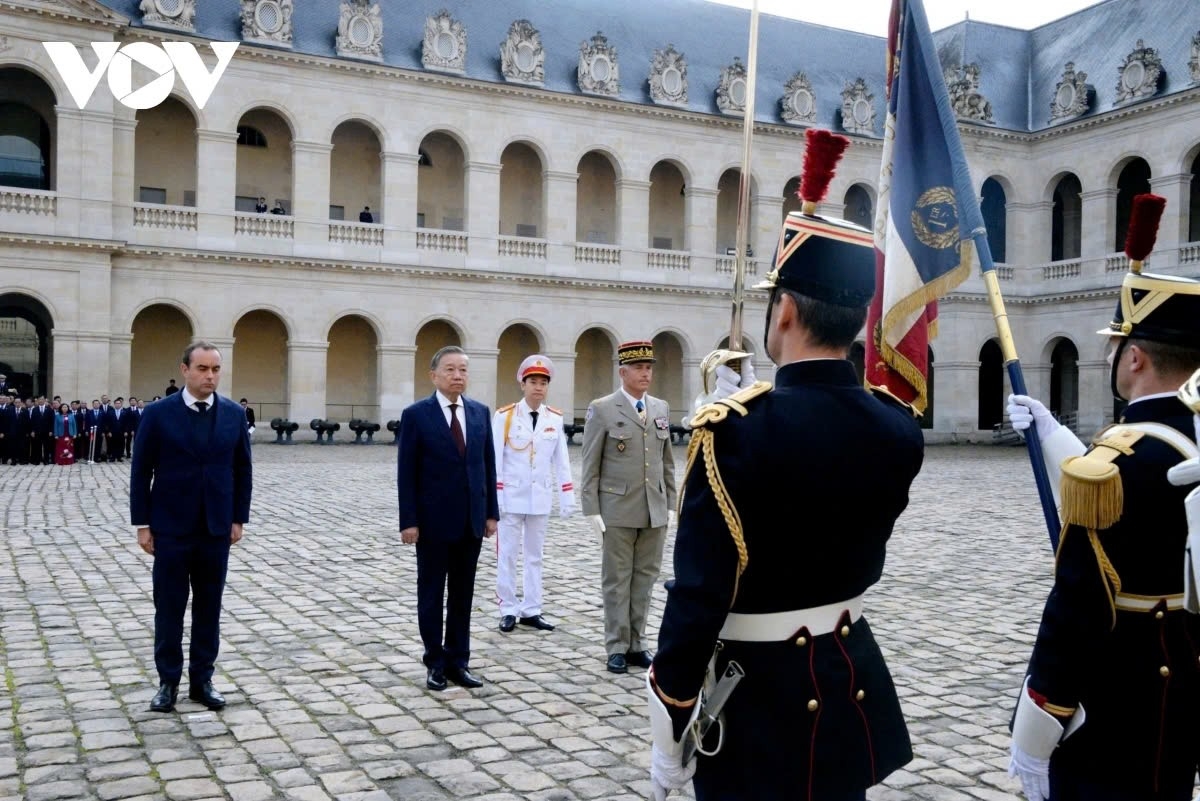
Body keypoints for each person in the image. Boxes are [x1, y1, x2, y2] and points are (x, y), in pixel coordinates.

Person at [646, 165, 926, 801]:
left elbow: (698, 596)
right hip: (846, 679)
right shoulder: (896, 427)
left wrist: (670, 723)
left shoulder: (732, 433)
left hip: (756, 700)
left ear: (786, 311)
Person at [1006, 258, 1200, 795]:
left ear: (1135, 357)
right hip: (1183, 680)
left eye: (1116, 343)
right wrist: (1050, 432)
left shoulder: (1119, 460)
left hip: (1120, 696)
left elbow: (1077, 611)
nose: (1112, 353)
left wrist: (1036, 730)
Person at [131, 341, 253, 713]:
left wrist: (237, 518)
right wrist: (142, 524)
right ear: (185, 370)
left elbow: (242, 470)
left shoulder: (233, 415)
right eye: (202, 369)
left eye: (215, 369)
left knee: (209, 608)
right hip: (170, 527)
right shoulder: (157, 414)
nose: (210, 376)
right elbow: (141, 473)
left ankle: (203, 680)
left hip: (215, 529)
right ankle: (168, 681)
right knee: (168, 608)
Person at [397, 345, 499, 692]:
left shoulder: (480, 413)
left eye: (463, 370)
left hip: (471, 521)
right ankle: (435, 662)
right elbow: (406, 473)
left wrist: (491, 514)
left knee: (462, 594)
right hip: (432, 523)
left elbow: (487, 466)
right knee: (431, 594)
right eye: (451, 370)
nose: (458, 376)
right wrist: (408, 521)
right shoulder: (416, 415)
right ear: (434, 375)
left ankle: (459, 660)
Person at [580, 340, 677, 674]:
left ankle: (638, 642)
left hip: (654, 509)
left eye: (649, 368)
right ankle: (616, 645)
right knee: (617, 580)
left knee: (645, 580)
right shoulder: (603, 408)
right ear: (622, 371)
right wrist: (591, 508)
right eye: (638, 368)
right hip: (617, 509)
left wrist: (672, 504)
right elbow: (590, 462)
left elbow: (666, 464)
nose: (645, 374)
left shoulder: (661, 408)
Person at [491, 355, 577, 633]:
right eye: (533, 382)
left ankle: (531, 608)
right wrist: (497, 497)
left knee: (535, 555)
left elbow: (561, 461)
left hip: (539, 497)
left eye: (543, 383)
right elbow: (495, 460)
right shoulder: (504, 416)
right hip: (511, 498)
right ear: (523, 384)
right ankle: (507, 608)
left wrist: (566, 496)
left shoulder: (554, 418)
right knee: (507, 554)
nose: (538, 387)